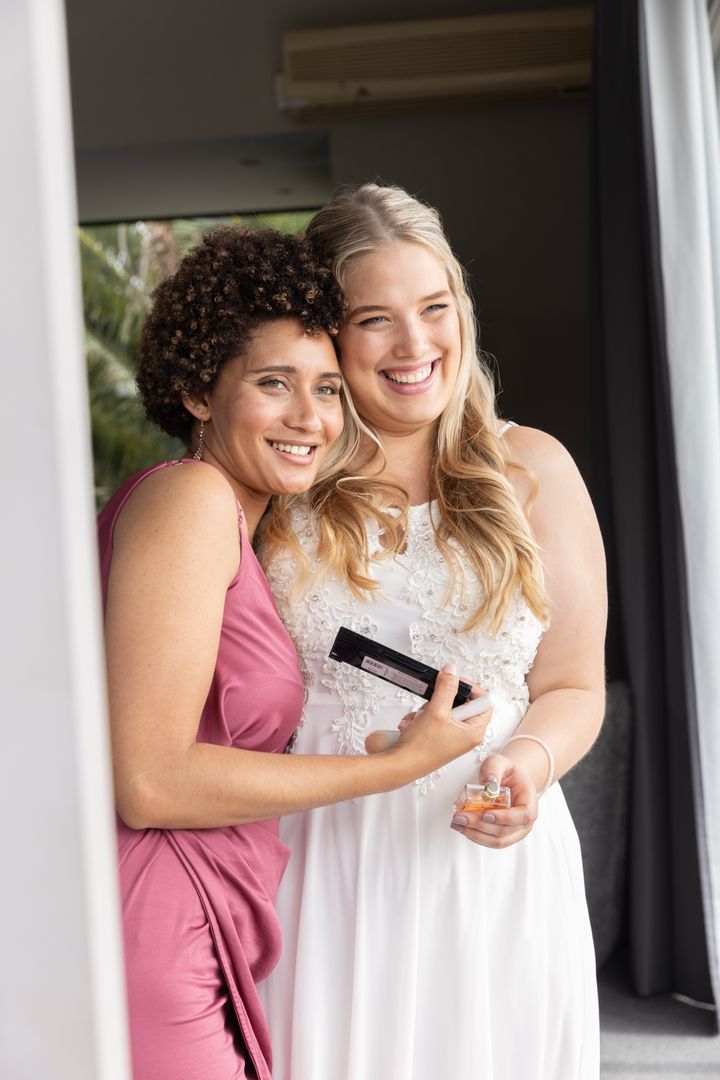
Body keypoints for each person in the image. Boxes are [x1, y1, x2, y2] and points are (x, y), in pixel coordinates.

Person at [97, 226, 492, 1080]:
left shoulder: (239, 525)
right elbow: (150, 779)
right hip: (159, 912)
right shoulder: (193, 501)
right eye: (274, 384)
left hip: (202, 915)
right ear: (199, 391)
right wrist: (396, 768)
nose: (310, 419)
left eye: (325, 388)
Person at [257, 185, 607, 1079]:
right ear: (329, 336)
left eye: (434, 308)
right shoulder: (278, 492)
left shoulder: (536, 468)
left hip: (492, 858)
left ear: (461, 307)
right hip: (332, 861)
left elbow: (572, 684)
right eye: (376, 319)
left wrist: (522, 766)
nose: (416, 346)